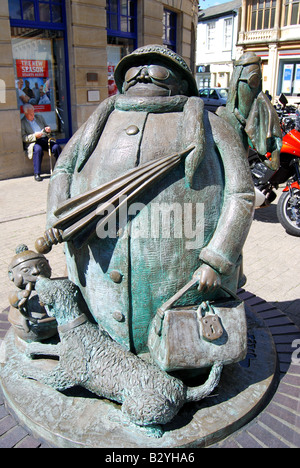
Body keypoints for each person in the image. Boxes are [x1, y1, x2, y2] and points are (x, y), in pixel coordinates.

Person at [42, 45, 255, 356]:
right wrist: (56, 216)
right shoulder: (98, 121)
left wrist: (217, 258)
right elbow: (62, 169)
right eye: (133, 71)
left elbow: (241, 193)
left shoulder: (211, 125)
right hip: (94, 266)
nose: (143, 76)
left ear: (182, 82)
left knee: (177, 341)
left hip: (178, 277)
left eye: (157, 70)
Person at [21, 104, 62, 181]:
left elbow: (46, 128)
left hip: (44, 139)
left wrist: (48, 130)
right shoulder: (22, 122)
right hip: (34, 142)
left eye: (33, 113)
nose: (33, 115)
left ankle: (60, 169)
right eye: (30, 114)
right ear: (25, 113)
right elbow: (24, 137)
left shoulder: (39, 117)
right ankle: (37, 173)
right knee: (38, 150)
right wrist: (35, 136)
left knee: (56, 147)